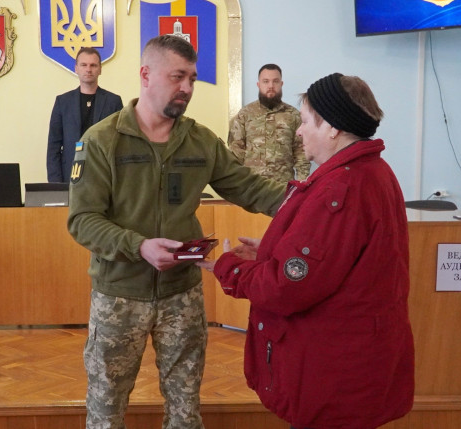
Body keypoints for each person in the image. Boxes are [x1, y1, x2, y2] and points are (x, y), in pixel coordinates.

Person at [67, 35, 286, 429]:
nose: (187, 87)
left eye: (192, 79)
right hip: (119, 297)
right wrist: (139, 246)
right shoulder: (101, 141)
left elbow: (250, 188)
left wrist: (310, 203)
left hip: (182, 295)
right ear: (146, 75)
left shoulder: (200, 141)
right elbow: (82, 220)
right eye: (177, 77)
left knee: (185, 411)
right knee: (105, 412)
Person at [198, 73, 415, 429]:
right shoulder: (372, 171)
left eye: (304, 122)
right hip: (354, 363)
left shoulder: (339, 189)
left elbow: (286, 287)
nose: (298, 132)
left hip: (332, 375)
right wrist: (271, 251)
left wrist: (230, 268)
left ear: (332, 128)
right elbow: (336, 259)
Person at [47, 47, 123, 182]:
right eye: (84, 65)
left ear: (100, 69)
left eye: (93, 65)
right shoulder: (62, 102)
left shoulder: (113, 101)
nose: (88, 69)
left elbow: (121, 144)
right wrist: (56, 185)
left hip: (104, 176)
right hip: (70, 177)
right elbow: (54, 147)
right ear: (76, 68)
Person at [227, 63, 310, 184]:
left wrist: (302, 184)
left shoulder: (294, 115)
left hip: (283, 187)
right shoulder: (245, 115)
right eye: (265, 81)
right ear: (258, 84)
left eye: (275, 81)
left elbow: (301, 152)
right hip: (252, 186)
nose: (271, 86)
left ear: (281, 84)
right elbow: (235, 154)